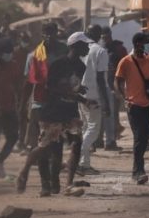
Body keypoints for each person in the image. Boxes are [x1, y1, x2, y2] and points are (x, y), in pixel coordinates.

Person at [16, 32, 94, 196]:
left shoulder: (81, 66)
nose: (87, 47)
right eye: (84, 45)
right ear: (74, 46)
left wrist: (80, 95)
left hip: (70, 111)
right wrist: (76, 95)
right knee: (45, 148)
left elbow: (72, 87)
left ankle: (69, 185)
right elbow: (51, 87)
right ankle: (24, 171)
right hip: (52, 111)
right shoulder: (59, 64)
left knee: (76, 144)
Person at [115, 32, 149, 185]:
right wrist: (124, 98)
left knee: (144, 136)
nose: (148, 45)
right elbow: (118, 81)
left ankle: (138, 170)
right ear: (137, 44)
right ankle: (138, 171)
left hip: (148, 104)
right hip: (133, 105)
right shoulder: (126, 62)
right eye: (146, 42)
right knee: (139, 137)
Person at [23, 22, 66, 150]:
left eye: (52, 33)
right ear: (42, 34)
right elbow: (28, 81)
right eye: (46, 33)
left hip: (58, 99)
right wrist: (23, 105)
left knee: (55, 135)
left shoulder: (63, 52)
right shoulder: (34, 55)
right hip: (39, 100)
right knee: (36, 135)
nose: (49, 36)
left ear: (56, 33)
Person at [78, 24, 110, 175]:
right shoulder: (100, 51)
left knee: (85, 128)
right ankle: (78, 158)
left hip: (80, 95)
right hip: (94, 96)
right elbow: (100, 79)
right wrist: (106, 102)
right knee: (93, 131)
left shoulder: (82, 50)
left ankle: (84, 164)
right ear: (100, 35)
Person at [0, 37, 23, 177]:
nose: (8, 54)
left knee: (13, 137)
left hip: (9, 107)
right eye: (6, 52)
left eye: (10, 52)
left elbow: (18, 84)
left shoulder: (14, 65)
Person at [102, 28, 127, 151]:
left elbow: (125, 66)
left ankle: (111, 140)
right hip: (102, 86)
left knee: (113, 114)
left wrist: (121, 86)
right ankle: (106, 140)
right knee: (106, 114)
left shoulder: (118, 48)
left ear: (110, 36)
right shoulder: (101, 49)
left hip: (114, 85)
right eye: (102, 37)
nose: (104, 39)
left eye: (105, 37)